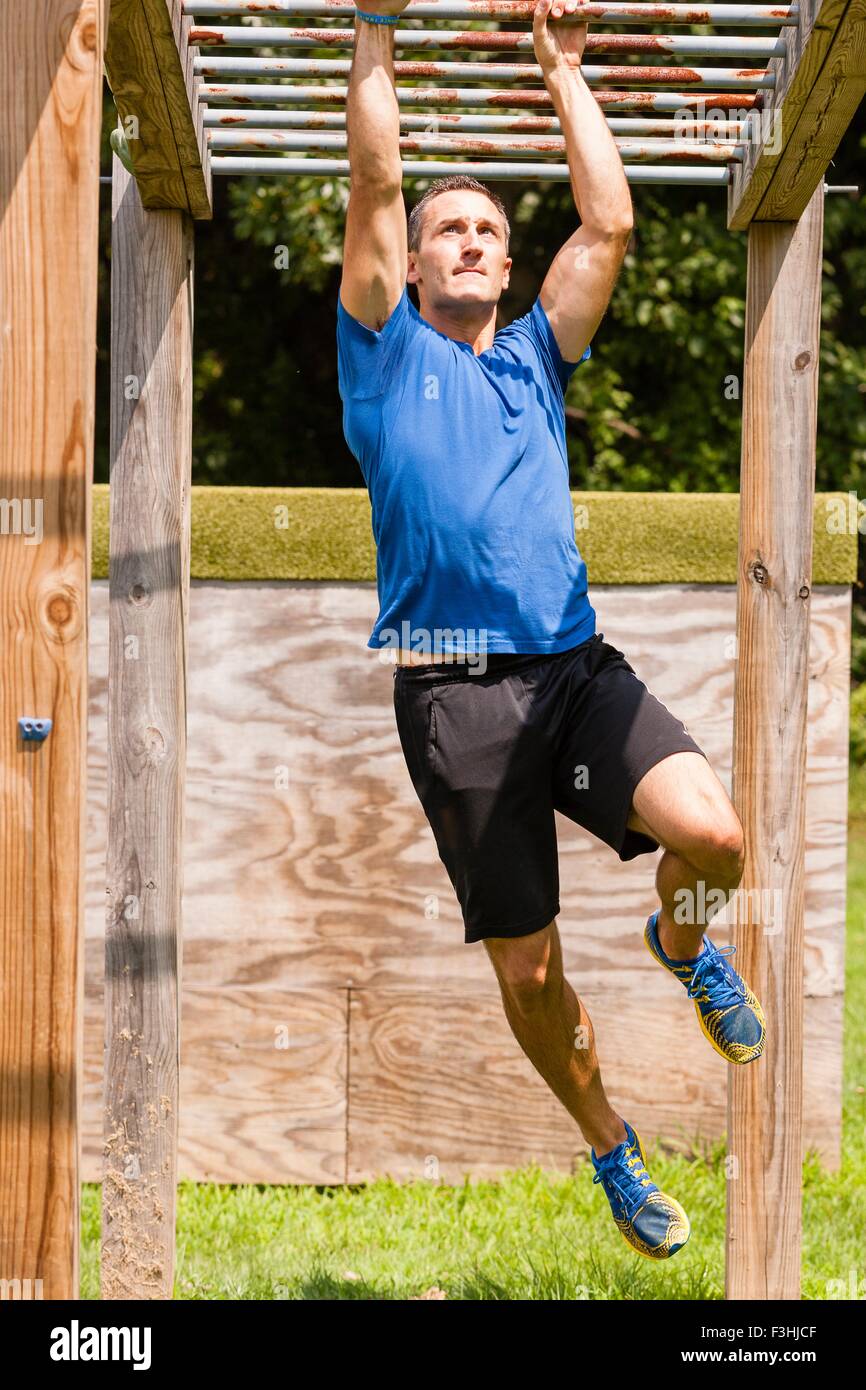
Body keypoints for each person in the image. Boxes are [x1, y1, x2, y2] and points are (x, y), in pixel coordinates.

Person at [336, 0, 765, 1261]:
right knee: (527, 973)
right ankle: (608, 1144)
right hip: (455, 700)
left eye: (487, 230)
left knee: (718, 836)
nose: (469, 242)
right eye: (445, 231)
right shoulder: (379, 352)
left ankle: (678, 938)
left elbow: (611, 222)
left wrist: (564, 69)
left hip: (572, 674)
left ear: (509, 265)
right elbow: (371, 177)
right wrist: (373, 34)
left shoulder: (534, 358)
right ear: (408, 267)